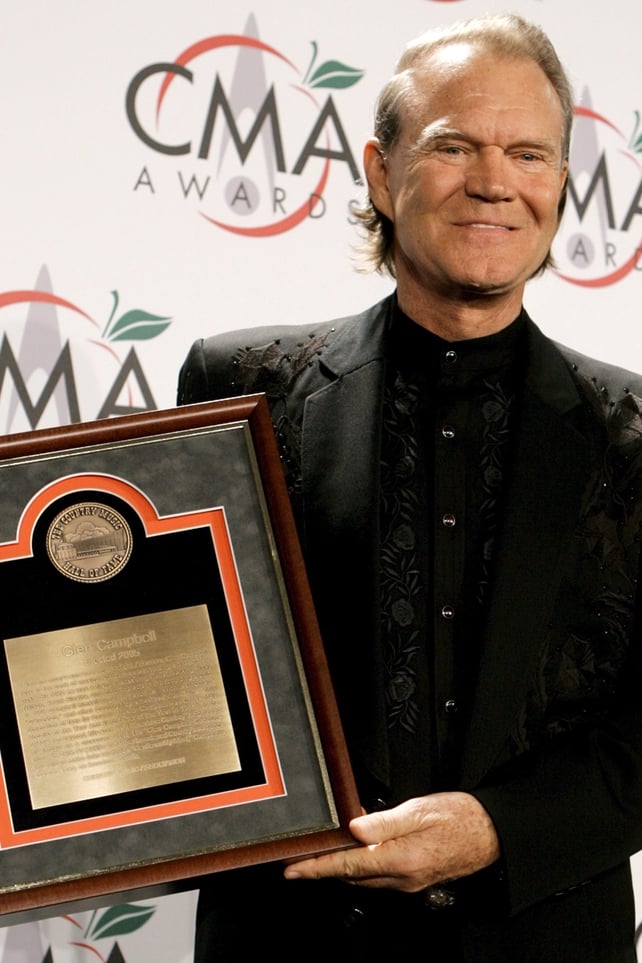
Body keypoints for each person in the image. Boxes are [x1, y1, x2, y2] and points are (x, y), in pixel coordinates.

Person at [177, 12, 642, 962]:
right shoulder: (239, 391)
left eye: (529, 153)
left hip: (540, 936)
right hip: (290, 940)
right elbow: (181, 671)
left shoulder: (632, 432)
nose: (494, 181)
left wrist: (497, 828)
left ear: (561, 182)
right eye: (454, 145)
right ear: (383, 173)